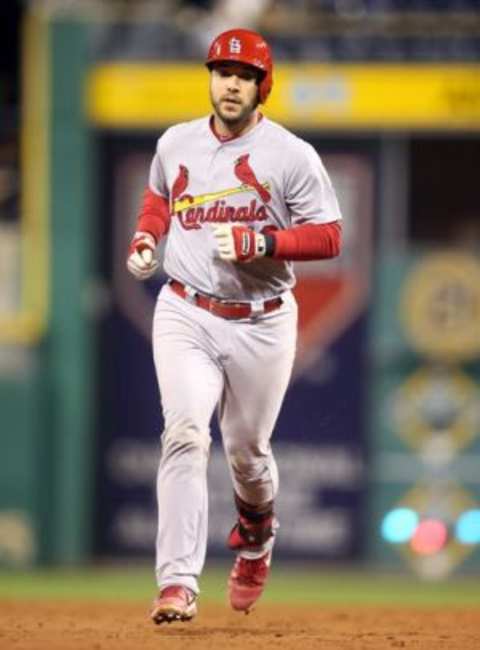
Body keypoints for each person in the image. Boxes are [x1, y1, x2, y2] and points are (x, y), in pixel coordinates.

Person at [126, 28, 342, 624]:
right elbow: (159, 198)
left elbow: (329, 236)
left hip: (262, 322)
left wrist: (264, 240)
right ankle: (177, 583)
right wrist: (147, 235)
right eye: (222, 71)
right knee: (186, 434)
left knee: (247, 454)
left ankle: (256, 535)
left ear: (261, 85)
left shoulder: (292, 155)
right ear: (211, 77)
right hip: (185, 310)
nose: (230, 83)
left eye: (244, 75)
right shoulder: (176, 142)